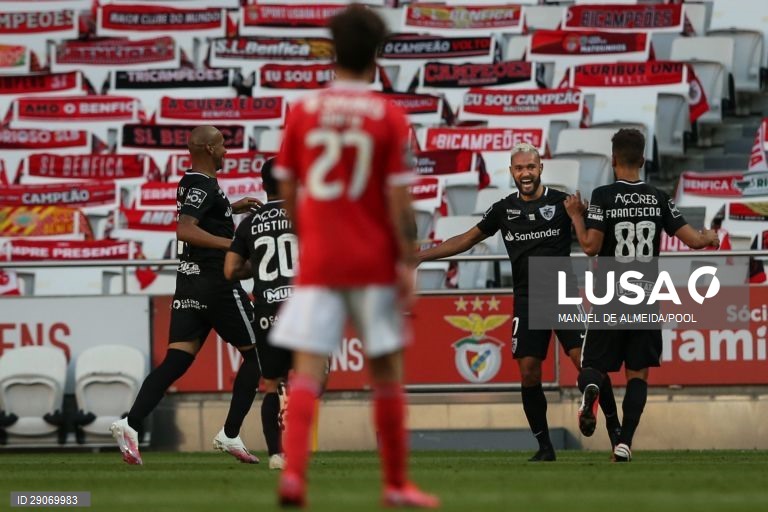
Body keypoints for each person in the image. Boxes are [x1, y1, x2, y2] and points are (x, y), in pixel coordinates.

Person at [268, 5, 439, 508]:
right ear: (376, 56)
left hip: (321, 260)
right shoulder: (388, 116)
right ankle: (395, 484)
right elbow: (398, 201)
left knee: (305, 371)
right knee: (385, 373)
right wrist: (405, 262)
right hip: (371, 262)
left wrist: (311, 238)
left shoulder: (304, 111)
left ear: (334, 51)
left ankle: (293, 476)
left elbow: (288, 189)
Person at [418, 143, 620, 461]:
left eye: (531, 167)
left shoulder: (562, 202)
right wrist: (422, 256)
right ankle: (545, 448)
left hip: (562, 293)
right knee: (528, 372)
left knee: (587, 364)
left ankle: (617, 436)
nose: (526, 173)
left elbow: (593, 240)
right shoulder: (503, 209)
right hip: (527, 298)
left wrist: (580, 216)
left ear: (540, 169)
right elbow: (466, 239)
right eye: (519, 168)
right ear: (512, 172)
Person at [110, 125, 263, 465]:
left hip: (189, 282)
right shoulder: (203, 184)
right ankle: (230, 434)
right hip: (216, 283)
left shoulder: (190, 182)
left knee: (177, 360)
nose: (226, 151)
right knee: (259, 355)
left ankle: (130, 423)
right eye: (221, 145)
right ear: (209, 149)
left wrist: (231, 208)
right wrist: (234, 244)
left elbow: (198, 218)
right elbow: (185, 229)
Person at [565, 128, 719, 462]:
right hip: (645, 297)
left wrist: (576, 215)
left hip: (610, 295)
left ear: (613, 159)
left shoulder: (604, 195)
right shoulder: (658, 197)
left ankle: (591, 390)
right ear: (644, 159)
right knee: (638, 373)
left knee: (593, 365)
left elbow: (590, 246)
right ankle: (624, 444)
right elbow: (693, 240)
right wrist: (709, 237)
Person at [223, 158, 294, 470]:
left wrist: (260, 265)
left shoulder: (249, 223)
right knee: (311, 379)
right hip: (302, 307)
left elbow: (231, 270)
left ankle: (276, 455)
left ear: (264, 185)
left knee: (270, 384)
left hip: (266, 309)